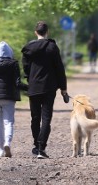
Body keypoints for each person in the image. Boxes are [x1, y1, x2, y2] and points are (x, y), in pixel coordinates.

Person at [21, 21, 68, 159]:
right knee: (46, 118)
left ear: (36, 32)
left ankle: (36, 145)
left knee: (35, 118)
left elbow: (26, 68)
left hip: (34, 86)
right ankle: (41, 148)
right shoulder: (52, 47)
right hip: (49, 87)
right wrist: (63, 88)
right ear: (47, 32)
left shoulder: (28, 49)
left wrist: (30, 79)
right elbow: (59, 69)